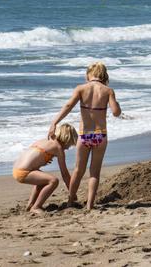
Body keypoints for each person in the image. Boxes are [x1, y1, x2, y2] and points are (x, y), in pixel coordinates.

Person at [48, 62, 122, 210]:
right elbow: (116, 112)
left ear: (89, 74)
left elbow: (68, 106)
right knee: (94, 172)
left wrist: (54, 122)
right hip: (100, 135)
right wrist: (116, 103)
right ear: (103, 75)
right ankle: (89, 205)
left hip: (84, 135)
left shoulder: (81, 89)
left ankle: (70, 201)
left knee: (78, 170)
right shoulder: (108, 91)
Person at [12, 124, 77, 214]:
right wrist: (72, 193)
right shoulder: (58, 148)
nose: (69, 147)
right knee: (53, 181)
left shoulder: (45, 140)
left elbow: (32, 156)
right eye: (70, 144)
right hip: (23, 172)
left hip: (16, 168)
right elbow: (65, 174)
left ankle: (30, 205)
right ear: (67, 139)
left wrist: (44, 159)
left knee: (43, 181)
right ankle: (36, 207)